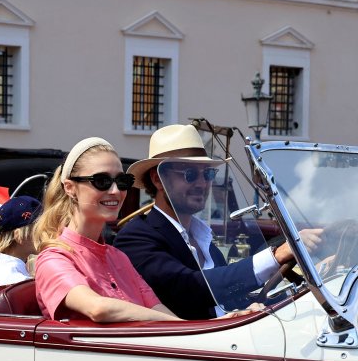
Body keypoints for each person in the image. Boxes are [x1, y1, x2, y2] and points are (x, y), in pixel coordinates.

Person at [114, 124, 321, 319]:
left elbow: (224, 296)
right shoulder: (135, 237)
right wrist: (276, 256)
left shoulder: (205, 241)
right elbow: (189, 286)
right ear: (158, 179)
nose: (202, 183)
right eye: (190, 174)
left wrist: (318, 274)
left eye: (208, 174)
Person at [33, 137, 181, 322]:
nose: (115, 191)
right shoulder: (54, 258)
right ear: (70, 188)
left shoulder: (118, 257)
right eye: (101, 181)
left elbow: (155, 306)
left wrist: (199, 332)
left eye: (122, 181)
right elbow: (97, 308)